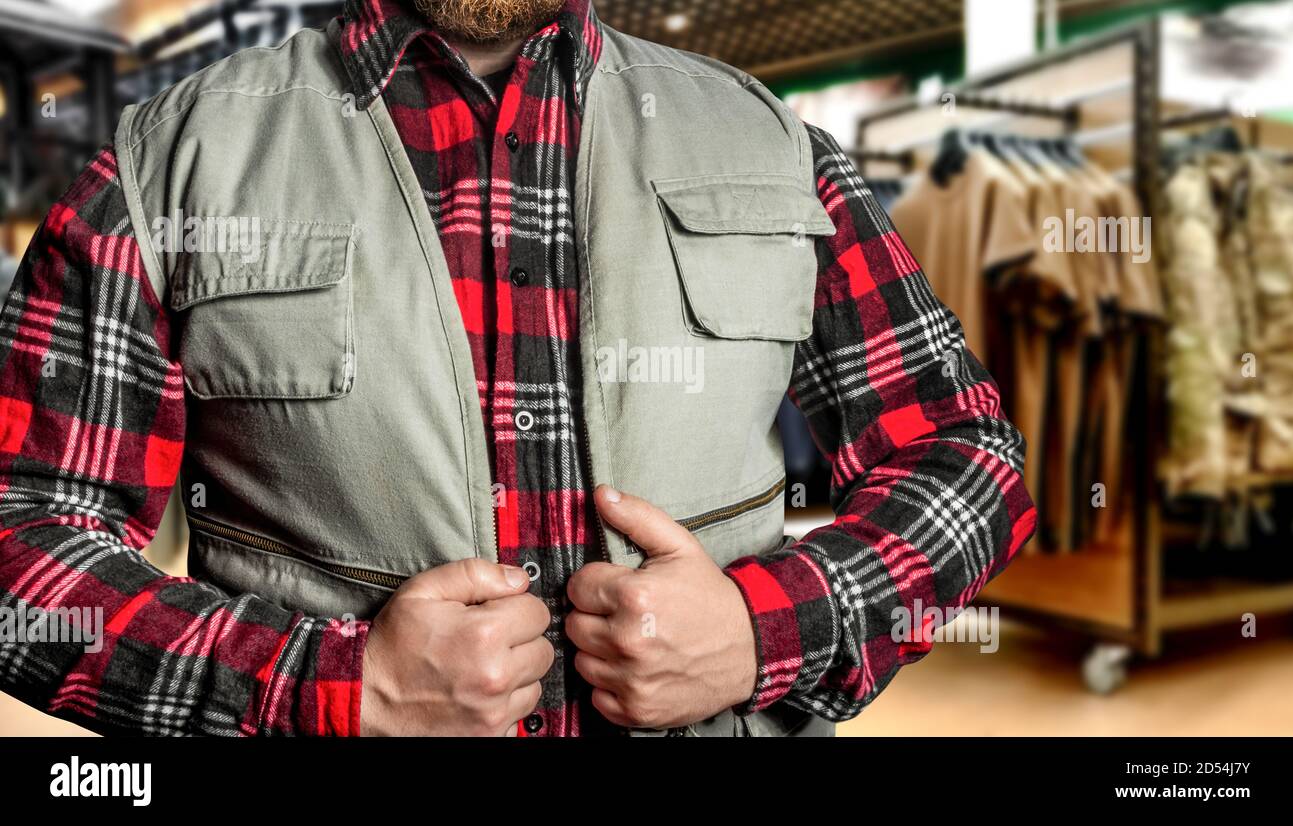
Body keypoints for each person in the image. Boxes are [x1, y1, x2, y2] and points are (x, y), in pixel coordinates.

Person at [0, 0, 1036, 736]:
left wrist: (770, 631)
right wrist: (326, 688)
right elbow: (20, 540)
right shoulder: (166, 161)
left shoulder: (768, 142)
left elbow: (966, 456)